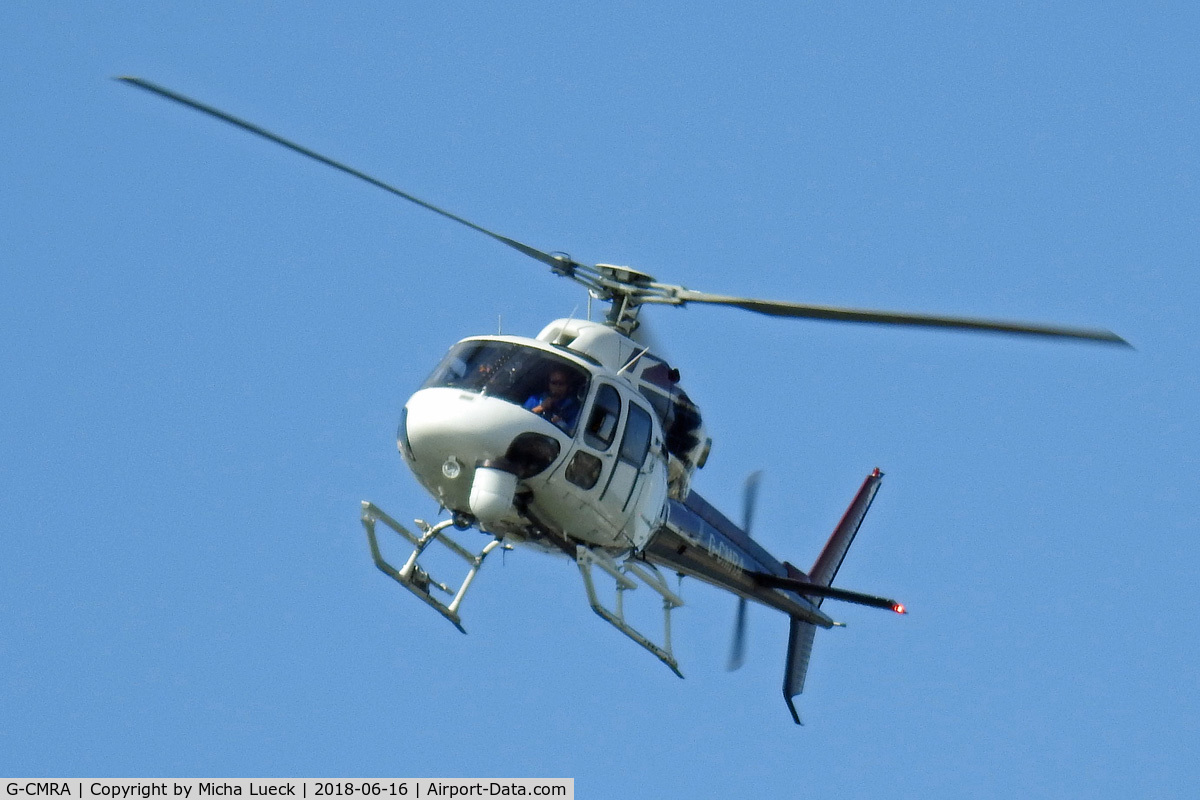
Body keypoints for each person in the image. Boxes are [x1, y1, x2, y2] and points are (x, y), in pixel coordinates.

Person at [524, 367, 580, 432]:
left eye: (561, 383)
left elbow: (572, 432)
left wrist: (561, 424)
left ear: (567, 386)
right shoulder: (535, 399)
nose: (557, 387)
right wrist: (540, 408)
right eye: (554, 383)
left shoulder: (573, 408)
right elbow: (521, 419)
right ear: (548, 384)